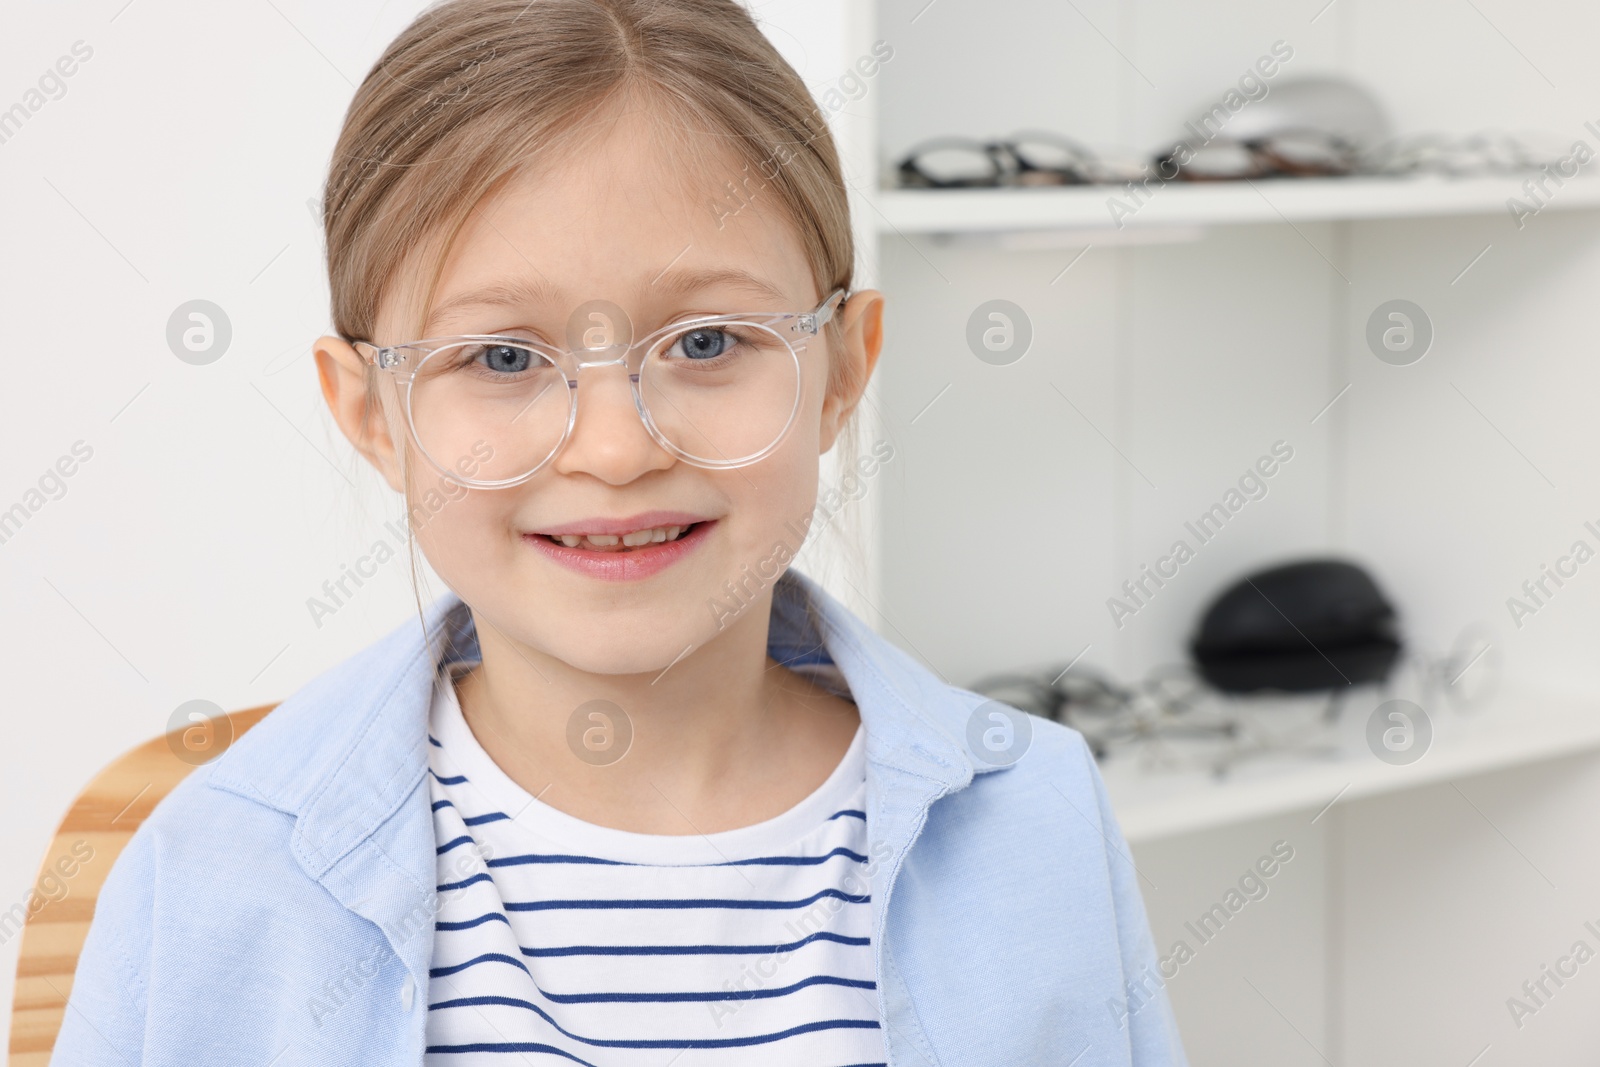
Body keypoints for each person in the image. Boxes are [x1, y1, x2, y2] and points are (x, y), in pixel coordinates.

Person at [50, 1, 1187, 1063]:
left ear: (843, 367)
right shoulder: (213, 862)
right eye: (502, 358)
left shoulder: (1038, 817)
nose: (612, 448)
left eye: (705, 342)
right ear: (369, 413)